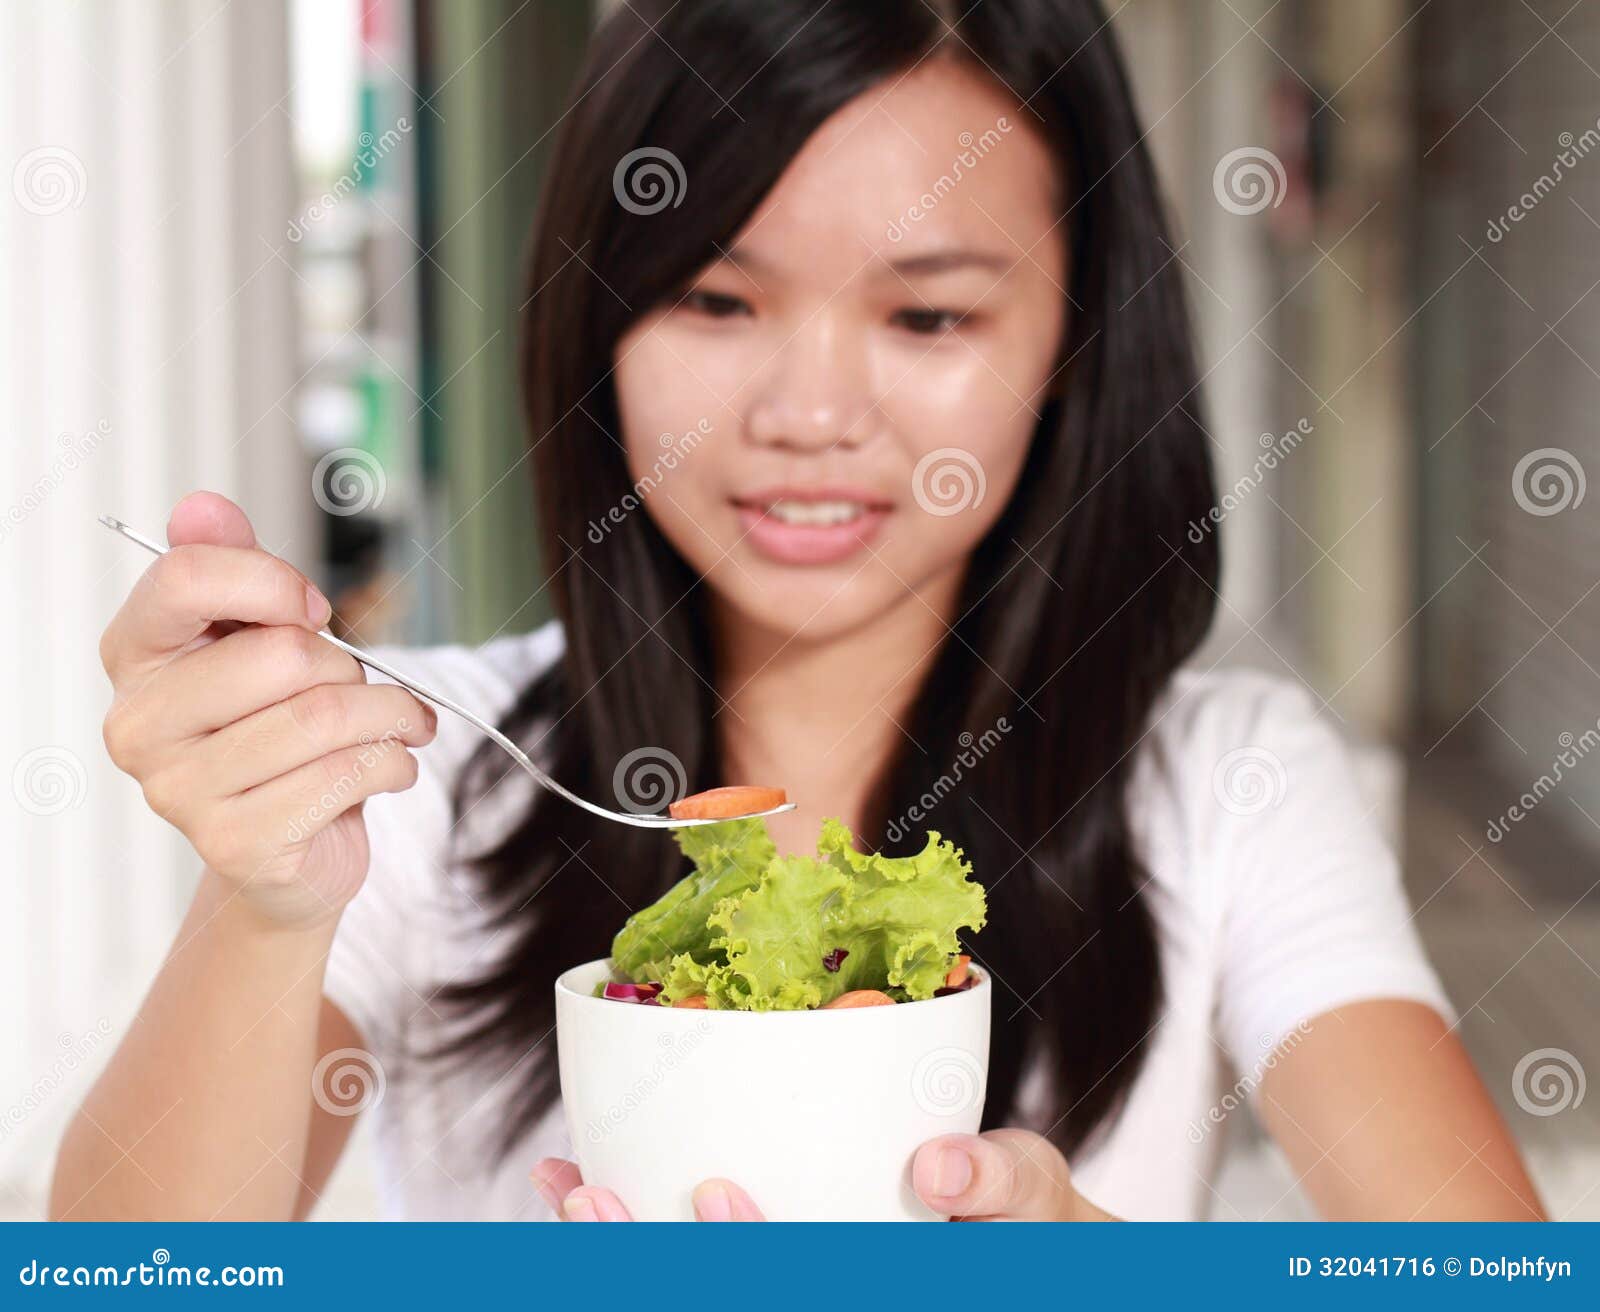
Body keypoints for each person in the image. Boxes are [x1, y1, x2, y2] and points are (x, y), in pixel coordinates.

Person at [55, 0, 1543, 1223]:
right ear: (597, 322)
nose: (812, 413)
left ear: (1078, 343)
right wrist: (264, 912)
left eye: (929, 315)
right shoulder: (421, 769)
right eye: (715, 299)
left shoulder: (1228, 781)